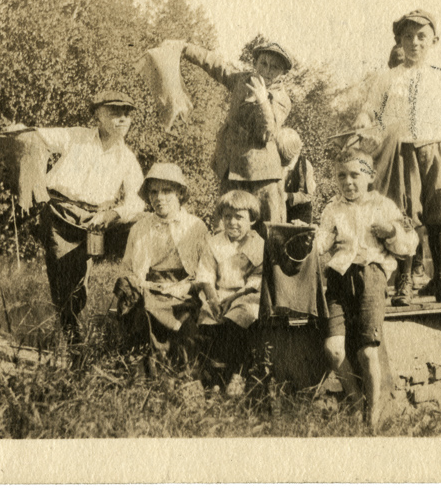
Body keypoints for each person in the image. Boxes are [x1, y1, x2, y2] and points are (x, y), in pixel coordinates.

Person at [353, 9, 441, 306]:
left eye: (421, 37)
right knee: (404, 217)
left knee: (439, 217)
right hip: (402, 152)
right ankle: (405, 281)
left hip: (436, 150)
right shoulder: (387, 78)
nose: (415, 42)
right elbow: (369, 109)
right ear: (399, 41)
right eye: (408, 36)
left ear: (434, 41)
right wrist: (363, 121)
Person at [315, 148, 419, 427]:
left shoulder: (383, 206)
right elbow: (321, 243)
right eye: (341, 176)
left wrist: (391, 232)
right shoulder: (332, 208)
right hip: (338, 278)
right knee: (334, 349)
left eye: (355, 175)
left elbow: (409, 245)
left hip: (371, 275)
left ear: (370, 176)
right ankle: (356, 401)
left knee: (367, 352)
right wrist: (309, 240)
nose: (348, 182)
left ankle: (372, 417)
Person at [35, 91, 145, 344]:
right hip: (60, 215)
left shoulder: (127, 158)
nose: (122, 119)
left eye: (127, 114)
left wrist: (113, 213)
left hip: (95, 222)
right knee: (62, 277)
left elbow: (138, 201)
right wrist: (19, 135)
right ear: (98, 115)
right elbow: (38, 136)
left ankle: (116, 320)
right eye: (114, 113)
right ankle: (71, 337)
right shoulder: (77, 137)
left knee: (80, 281)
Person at [165, 38, 296, 224]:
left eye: (274, 67)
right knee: (226, 226)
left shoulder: (281, 99)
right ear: (255, 64)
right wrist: (184, 47)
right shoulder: (242, 80)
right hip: (232, 169)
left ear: (283, 73)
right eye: (263, 63)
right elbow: (215, 64)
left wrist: (262, 100)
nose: (267, 71)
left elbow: (268, 133)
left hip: (263, 178)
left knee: (266, 230)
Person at [116, 163, 209, 367]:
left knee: (187, 322)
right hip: (148, 286)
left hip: (184, 288)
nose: (159, 198)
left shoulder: (196, 226)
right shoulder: (140, 228)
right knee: (143, 311)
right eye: (154, 192)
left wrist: (186, 286)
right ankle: (147, 367)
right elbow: (127, 267)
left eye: (167, 191)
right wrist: (141, 284)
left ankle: (179, 366)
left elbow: (206, 270)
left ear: (180, 193)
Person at [196, 190, 265, 395]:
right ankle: (214, 377)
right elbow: (206, 273)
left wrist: (235, 297)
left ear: (252, 219)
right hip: (219, 293)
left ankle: (238, 373)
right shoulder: (214, 243)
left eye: (239, 217)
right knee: (210, 322)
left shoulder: (258, 243)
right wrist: (212, 299)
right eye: (227, 217)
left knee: (238, 319)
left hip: (245, 294)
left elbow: (258, 277)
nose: (232, 222)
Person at [276, 128, 317, 224]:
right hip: (283, 211)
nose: (283, 162)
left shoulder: (304, 166)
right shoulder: (278, 165)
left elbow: (307, 195)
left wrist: (287, 196)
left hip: (300, 214)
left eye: (286, 159)